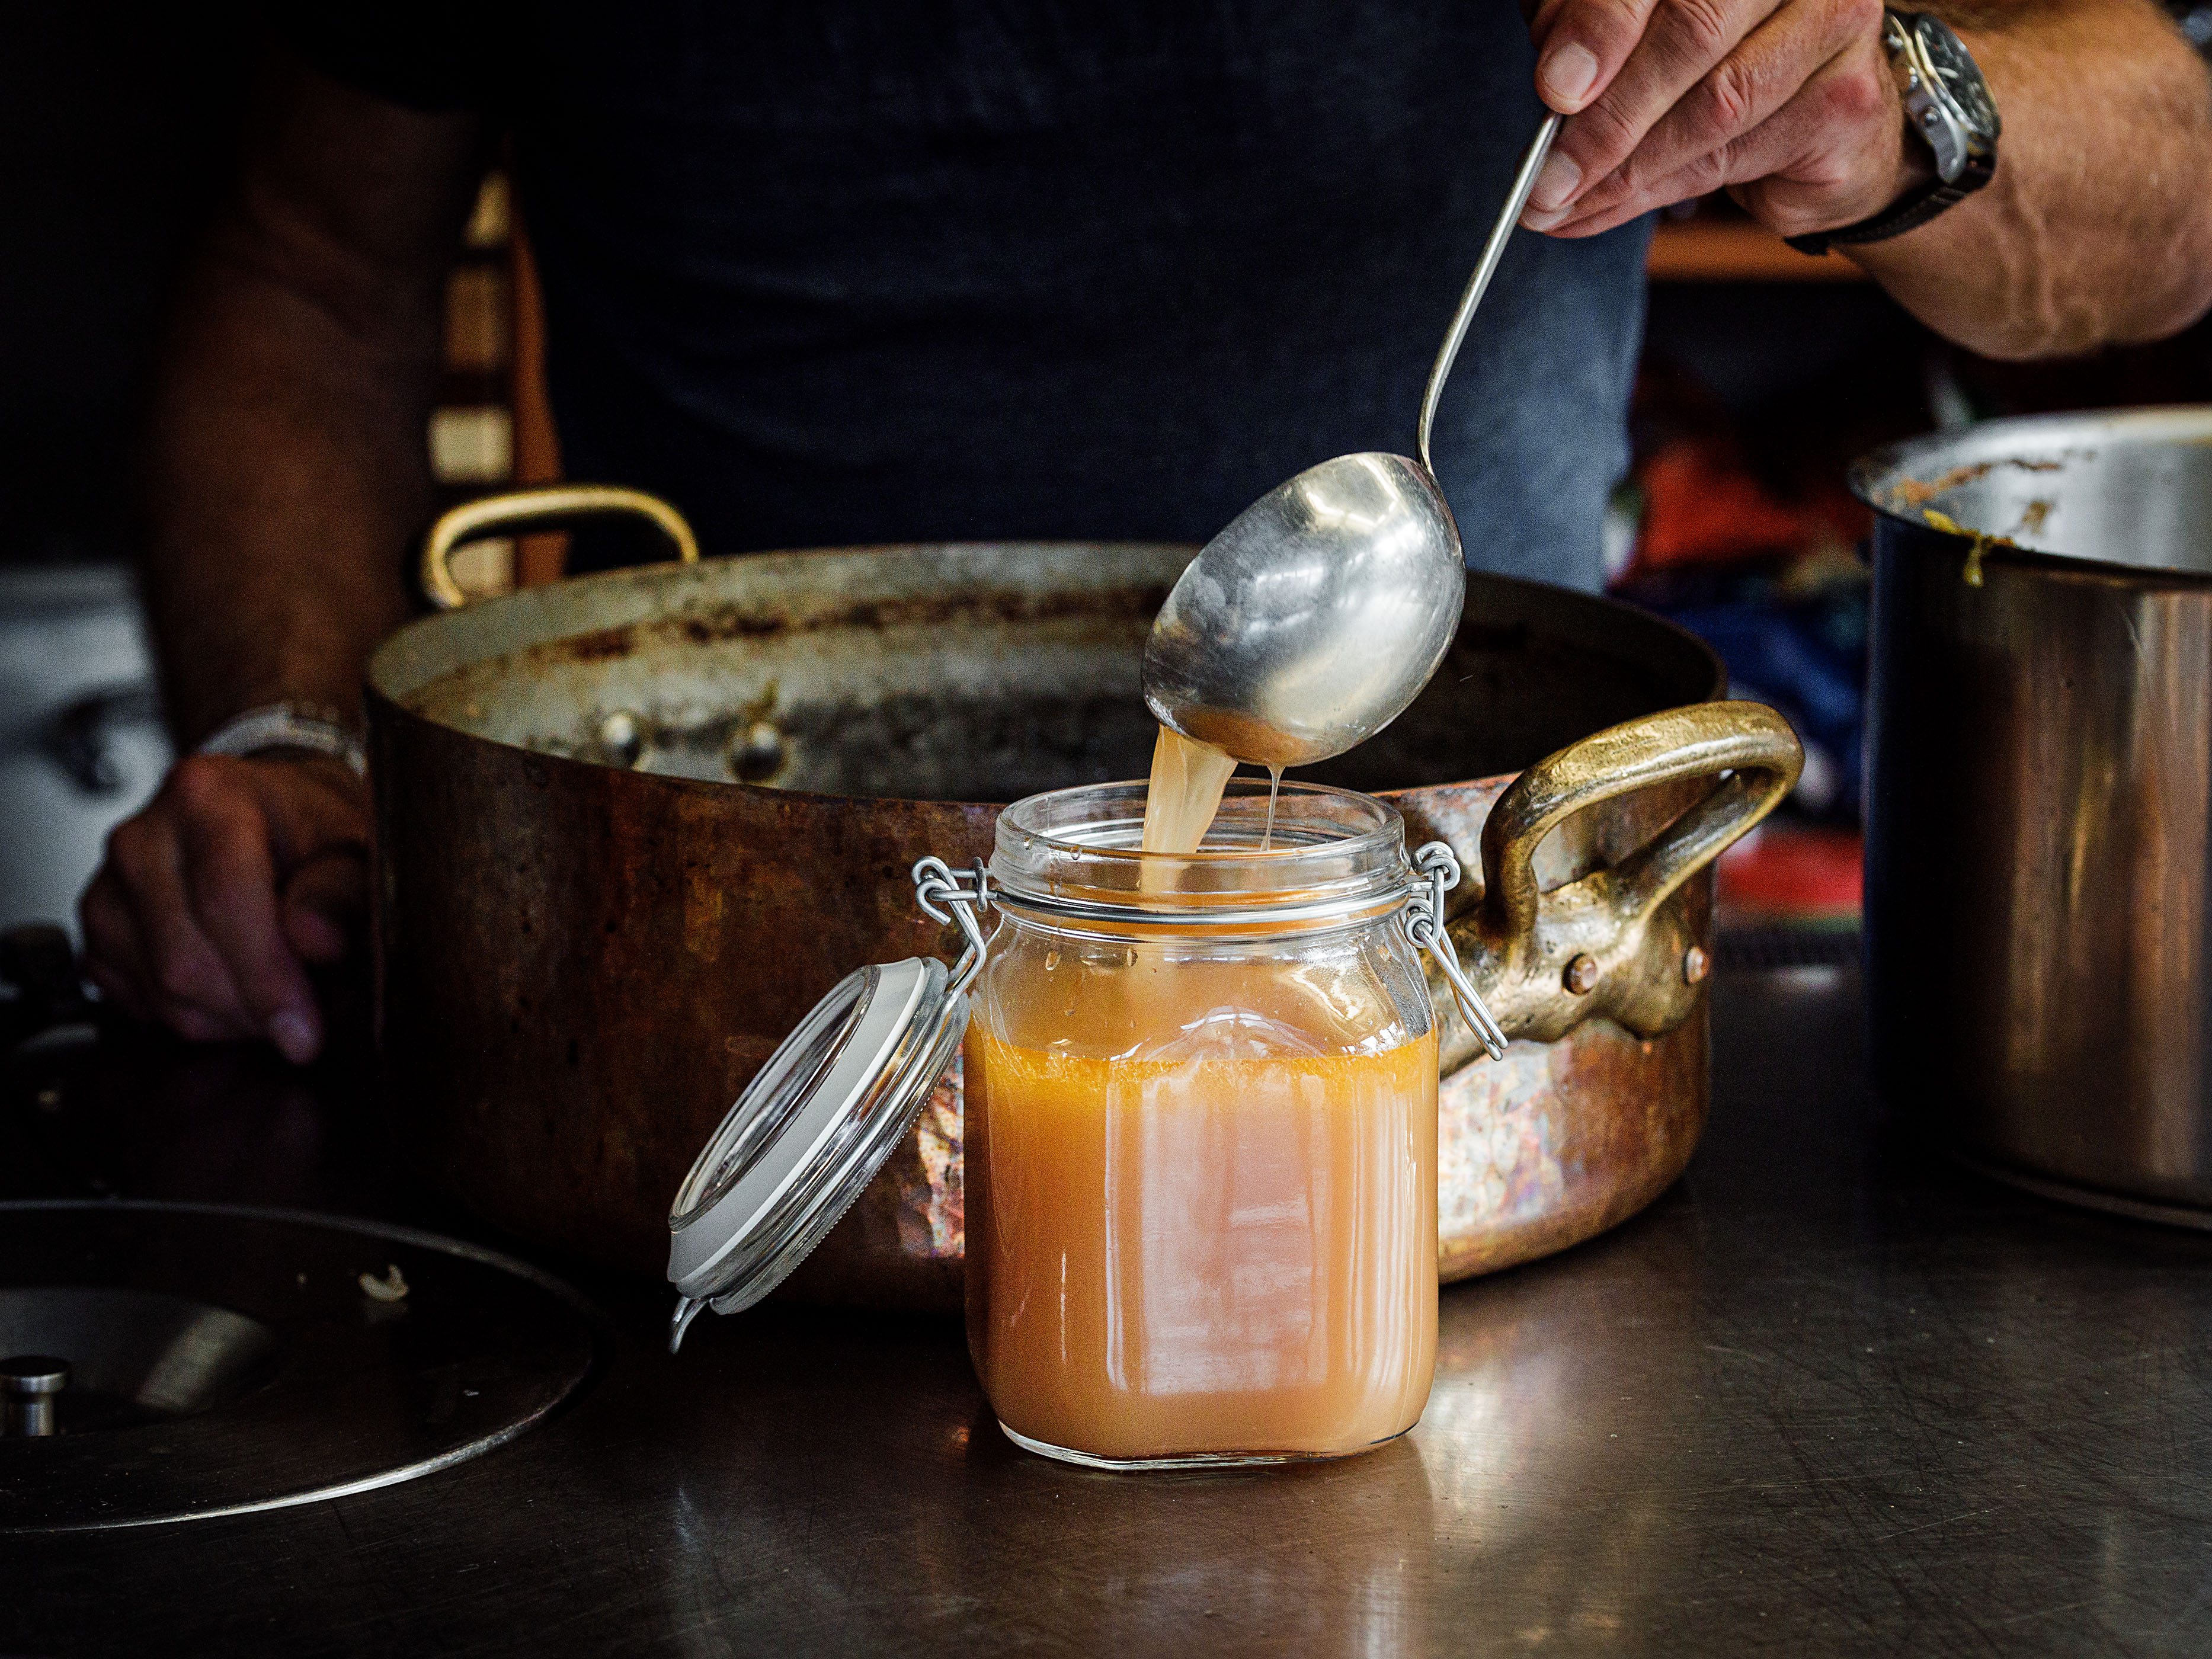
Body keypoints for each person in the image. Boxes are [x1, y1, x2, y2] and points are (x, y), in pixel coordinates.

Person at [82, 1, 2212, 1062]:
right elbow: (303, 279)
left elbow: (2176, 180)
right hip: (706, 972)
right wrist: (304, 740)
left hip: (1452, 954)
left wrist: (1894, 103)